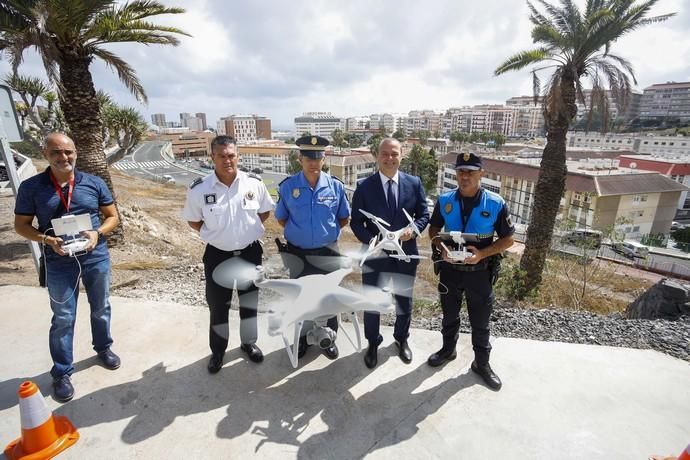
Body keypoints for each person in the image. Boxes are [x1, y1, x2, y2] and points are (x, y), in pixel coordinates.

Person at [14, 132, 121, 402]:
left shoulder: (93, 183)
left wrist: (98, 233)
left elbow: (112, 217)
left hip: (94, 255)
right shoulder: (32, 187)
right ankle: (62, 372)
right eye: (56, 153)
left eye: (68, 152)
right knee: (63, 317)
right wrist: (46, 239)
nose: (64, 157)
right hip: (58, 260)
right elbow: (21, 225)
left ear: (76, 152)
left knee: (101, 307)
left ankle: (103, 348)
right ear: (45, 155)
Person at [182, 135, 274, 373]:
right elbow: (194, 221)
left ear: (238, 156)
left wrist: (246, 232)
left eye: (231, 155)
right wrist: (217, 235)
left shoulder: (254, 184)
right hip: (217, 256)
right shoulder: (200, 189)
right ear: (212, 157)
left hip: (249, 253)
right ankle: (218, 351)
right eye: (221, 156)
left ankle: (248, 343)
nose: (227, 160)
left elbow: (263, 213)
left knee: (249, 303)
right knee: (218, 306)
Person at [427, 151, 514, 391]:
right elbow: (433, 230)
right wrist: (441, 247)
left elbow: (508, 240)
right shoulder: (445, 200)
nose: (465, 177)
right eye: (461, 171)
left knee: (481, 321)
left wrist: (483, 254)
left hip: (480, 272)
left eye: (471, 172)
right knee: (449, 315)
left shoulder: (495, 204)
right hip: (450, 271)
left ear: (481, 174)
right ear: (456, 173)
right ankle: (448, 350)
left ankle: (481, 364)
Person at [350, 138, 429, 369]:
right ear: (377, 156)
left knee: (404, 301)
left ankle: (401, 339)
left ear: (401, 155)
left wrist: (412, 231)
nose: (389, 158)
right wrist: (373, 241)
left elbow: (423, 215)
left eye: (394, 154)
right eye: (385, 154)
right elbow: (357, 223)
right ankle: (373, 343)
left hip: (405, 255)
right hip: (375, 256)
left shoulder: (414, 183)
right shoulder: (364, 187)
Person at [274, 135, 351, 360]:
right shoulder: (288, 187)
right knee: (303, 299)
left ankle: (329, 339)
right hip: (299, 254)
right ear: (300, 159)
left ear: (324, 158)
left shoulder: (335, 186)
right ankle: (304, 338)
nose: (313, 162)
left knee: (329, 298)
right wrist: (303, 235)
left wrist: (322, 235)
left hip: (328, 252)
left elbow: (343, 218)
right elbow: (281, 219)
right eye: (308, 157)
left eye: (317, 157)